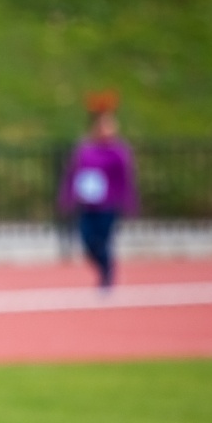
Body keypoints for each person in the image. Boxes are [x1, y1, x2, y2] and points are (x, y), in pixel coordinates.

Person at [59, 93, 137, 288]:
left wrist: (128, 201)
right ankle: (103, 267)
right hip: (87, 203)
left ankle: (107, 274)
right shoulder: (84, 149)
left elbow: (125, 178)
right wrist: (67, 197)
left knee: (103, 241)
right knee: (87, 241)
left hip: (108, 204)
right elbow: (72, 174)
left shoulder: (119, 151)